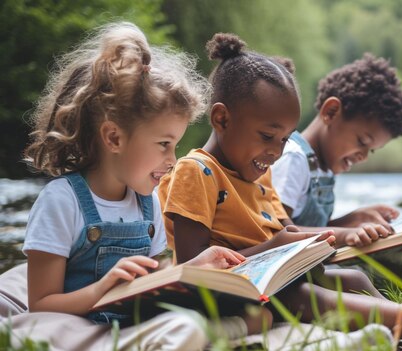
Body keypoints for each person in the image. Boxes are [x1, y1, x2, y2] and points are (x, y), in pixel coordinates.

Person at [158, 33, 402, 338]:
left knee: (354, 281)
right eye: (267, 137)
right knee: (308, 299)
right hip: (230, 293)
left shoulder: (259, 177)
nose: (276, 152)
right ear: (221, 119)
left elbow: (286, 230)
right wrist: (276, 246)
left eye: (284, 139)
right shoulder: (197, 171)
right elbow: (192, 269)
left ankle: (399, 333)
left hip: (274, 279)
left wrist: (314, 240)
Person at [17, 22, 268, 350]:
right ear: (114, 137)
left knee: (256, 316)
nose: (173, 159)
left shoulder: (148, 203)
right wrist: (104, 289)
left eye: (175, 146)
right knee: (187, 329)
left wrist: (195, 268)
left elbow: (155, 281)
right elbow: (41, 305)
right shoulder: (62, 201)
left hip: (135, 325)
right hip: (81, 329)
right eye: (164, 144)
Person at [271, 54, 402, 299]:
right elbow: (279, 232)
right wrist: (347, 233)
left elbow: (313, 225)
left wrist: (354, 219)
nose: (363, 157)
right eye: (362, 142)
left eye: (372, 150)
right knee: (382, 270)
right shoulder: (294, 158)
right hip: (294, 272)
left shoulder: (320, 166)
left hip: (317, 262)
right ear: (331, 112)